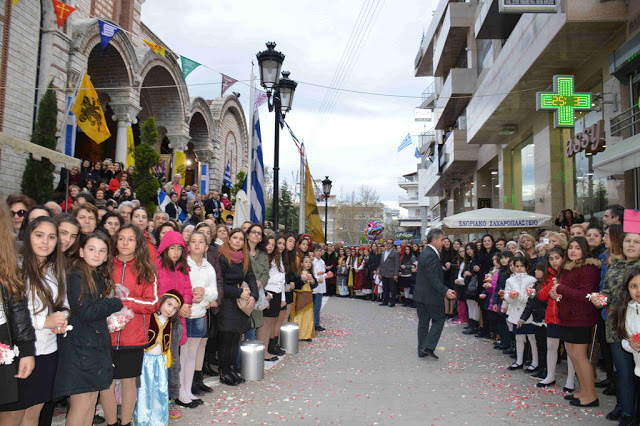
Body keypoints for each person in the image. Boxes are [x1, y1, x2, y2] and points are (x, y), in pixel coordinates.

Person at [53, 232, 123, 425]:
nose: (97, 254)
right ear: (82, 251)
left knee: (91, 401)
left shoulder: (94, 274)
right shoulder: (76, 275)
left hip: (92, 346)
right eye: (91, 249)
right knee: (82, 403)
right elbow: (86, 310)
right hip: (79, 348)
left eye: (102, 251)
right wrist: (114, 304)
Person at [0, 217, 65, 425]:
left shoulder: (56, 269)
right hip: (20, 351)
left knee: (34, 412)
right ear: (28, 236)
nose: (45, 242)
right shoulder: (14, 268)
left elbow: (64, 304)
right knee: (13, 413)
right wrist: (44, 322)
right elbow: (11, 312)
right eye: (39, 235)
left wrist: (63, 318)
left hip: (48, 351)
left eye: (51, 237)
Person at [100, 225, 158, 426]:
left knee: (128, 381)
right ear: (115, 241)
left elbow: (152, 303)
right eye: (121, 238)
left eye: (130, 239)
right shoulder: (104, 266)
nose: (125, 243)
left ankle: (125, 422)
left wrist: (124, 301)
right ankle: (111, 422)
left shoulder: (146, 269)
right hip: (104, 335)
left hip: (133, 336)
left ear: (138, 243)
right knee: (106, 383)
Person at [551, 236, 601, 408]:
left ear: (584, 250)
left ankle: (591, 395)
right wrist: (557, 293)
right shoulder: (568, 268)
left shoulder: (590, 268)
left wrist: (561, 289)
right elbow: (567, 291)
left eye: (577, 248)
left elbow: (585, 294)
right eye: (570, 247)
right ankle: (584, 391)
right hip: (567, 317)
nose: (573, 251)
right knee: (573, 356)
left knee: (580, 356)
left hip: (582, 318)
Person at [154, 231, 194, 413]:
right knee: (157, 362)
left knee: (173, 361)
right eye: (172, 248)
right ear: (164, 249)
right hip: (158, 322)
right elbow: (154, 292)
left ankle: (171, 398)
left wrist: (186, 304)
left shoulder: (183, 268)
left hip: (177, 321)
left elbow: (188, 290)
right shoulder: (156, 267)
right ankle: (156, 399)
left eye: (179, 248)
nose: (176, 252)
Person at [133, 290, 183, 426]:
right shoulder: (149, 317)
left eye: (174, 308)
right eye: (169, 304)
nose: (170, 310)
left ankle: (159, 420)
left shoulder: (171, 324)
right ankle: (142, 419)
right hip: (146, 360)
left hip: (160, 361)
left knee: (160, 390)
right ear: (161, 301)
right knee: (144, 390)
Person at [217, 229, 258, 386]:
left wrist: (254, 295)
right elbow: (219, 284)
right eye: (235, 238)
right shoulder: (221, 257)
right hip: (227, 302)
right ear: (229, 239)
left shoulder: (244, 258)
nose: (237, 241)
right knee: (227, 338)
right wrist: (239, 292)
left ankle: (232, 369)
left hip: (240, 304)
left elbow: (251, 277)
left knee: (235, 338)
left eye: (241, 239)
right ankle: (224, 371)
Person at [181, 231, 217, 405]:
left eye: (201, 242)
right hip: (183, 313)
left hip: (199, 314)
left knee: (192, 354)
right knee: (182, 354)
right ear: (188, 245)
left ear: (206, 247)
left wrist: (205, 293)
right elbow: (177, 286)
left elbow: (214, 292)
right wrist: (188, 296)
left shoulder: (209, 268)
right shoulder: (183, 264)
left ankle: (188, 390)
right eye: (193, 241)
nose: (197, 245)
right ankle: (180, 392)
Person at [537, 247, 576, 390]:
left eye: (557, 258)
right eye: (551, 258)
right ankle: (550, 375)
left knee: (570, 349)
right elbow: (541, 295)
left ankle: (571, 379)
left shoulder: (570, 272)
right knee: (551, 347)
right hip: (551, 316)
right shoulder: (548, 275)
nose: (554, 261)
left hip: (567, 317)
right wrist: (552, 285)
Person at [414, 229, 456, 360]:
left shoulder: (425, 252)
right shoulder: (431, 254)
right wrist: (445, 291)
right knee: (439, 320)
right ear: (435, 240)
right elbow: (432, 277)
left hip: (420, 295)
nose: (443, 243)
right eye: (442, 240)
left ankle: (422, 349)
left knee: (423, 323)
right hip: (430, 295)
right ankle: (428, 346)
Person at [502, 256, 538, 372]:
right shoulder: (509, 280)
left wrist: (520, 296)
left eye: (521, 266)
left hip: (528, 314)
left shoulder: (532, 280)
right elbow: (507, 295)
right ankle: (519, 360)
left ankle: (535, 362)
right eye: (516, 266)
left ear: (526, 267)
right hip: (515, 313)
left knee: (532, 338)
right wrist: (511, 297)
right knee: (519, 337)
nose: (519, 269)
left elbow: (531, 298)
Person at [264, 235, 287, 357]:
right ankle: (267, 347)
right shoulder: (266, 258)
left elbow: (282, 278)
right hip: (269, 291)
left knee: (274, 320)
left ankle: (271, 345)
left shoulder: (278, 258)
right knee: (267, 322)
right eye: (278, 243)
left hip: (278, 292)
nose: (280, 246)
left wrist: (283, 297)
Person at [291, 254, 317, 342]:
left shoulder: (311, 273)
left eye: (309, 262)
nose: (308, 264)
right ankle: (298, 334)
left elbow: (315, 284)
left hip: (308, 295)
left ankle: (307, 335)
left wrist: (312, 281)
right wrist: (303, 280)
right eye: (306, 262)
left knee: (308, 315)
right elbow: (296, 285)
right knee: (299, 315)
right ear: (301, 263)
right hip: (300, 295)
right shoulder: (298, 274)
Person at [379, 239, 400, 307]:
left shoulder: (395, 253)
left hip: (391, 273)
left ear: (392, 245)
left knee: (392, 289)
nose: (389, 244)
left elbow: (397, 264)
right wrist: (380, 273)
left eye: (390, 243)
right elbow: (381, 264)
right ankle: (385, 301)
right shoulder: (383, 252)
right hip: (384, 273)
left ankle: (392, 302)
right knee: (385, 288)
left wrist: (396, 274)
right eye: (388, 243)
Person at [312, 244, 327, 331]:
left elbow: (323, 273)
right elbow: (313, 274)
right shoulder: (313, 261)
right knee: (315, 306)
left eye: (320, 251)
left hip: (321, 285)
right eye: (317, 251)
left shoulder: (321, 261)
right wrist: (319, 274)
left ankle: (317, 323)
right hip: (315, 286)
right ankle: (314, 324)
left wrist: (326, 275)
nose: (319, 253)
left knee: (318, 306)